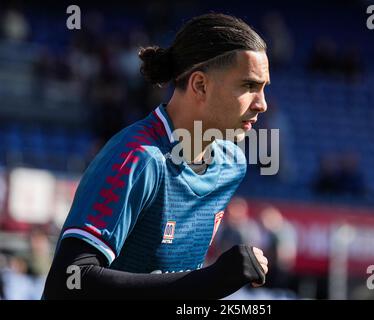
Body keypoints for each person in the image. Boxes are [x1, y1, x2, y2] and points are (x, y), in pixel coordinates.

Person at [43, 13, 270, 300]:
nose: (261, 104)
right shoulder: (138, 158)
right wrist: (210, 281)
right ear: (200, 85)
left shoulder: (232, 164)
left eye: (263, 88)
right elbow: (70, 281)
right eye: (249, 86)